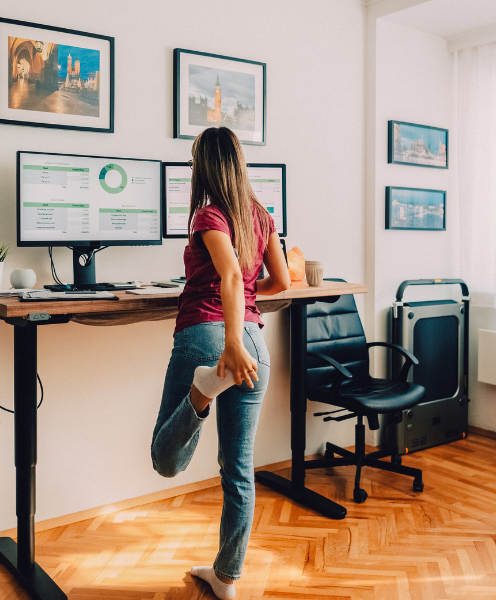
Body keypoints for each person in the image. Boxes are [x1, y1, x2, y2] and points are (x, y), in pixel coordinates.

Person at [151, 126, 291, 600]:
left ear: (202, 166)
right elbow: (282, 282)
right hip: (256, 343)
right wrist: (246, 314)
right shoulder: (261, 216)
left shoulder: (207, 214)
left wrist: (230, 343)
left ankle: (201, 391)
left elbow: (229, 273)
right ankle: (226, 579)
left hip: (211, 335)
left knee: (165, 461)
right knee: (239, 468)